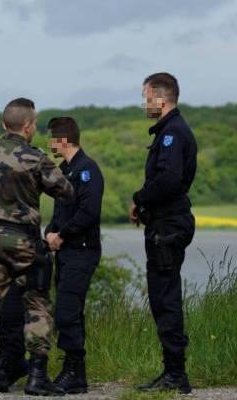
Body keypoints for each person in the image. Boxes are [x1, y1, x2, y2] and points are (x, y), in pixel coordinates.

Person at [0, 97, 72, 396]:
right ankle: (36, 377)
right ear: (29, 126)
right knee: (36, 304)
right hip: (24, 241)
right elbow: (64, 189)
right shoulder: (35, 157)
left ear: (3, 124)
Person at [131, 72, 197, 394]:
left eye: (146, 98)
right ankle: (172, 372)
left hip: (169, 226)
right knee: (162, 297)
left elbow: (169, 180)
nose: (145, 105)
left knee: (166, 299)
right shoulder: (170, 131)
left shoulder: (172, 133)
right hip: (164, 222)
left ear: (160, 98)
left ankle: (175, 375)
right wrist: (144, 206)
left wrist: (139, 198)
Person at [44, 116, 104, 394]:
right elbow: (60, 213)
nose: (49, 143)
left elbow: (87, 213)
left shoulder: (87, 170)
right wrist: (49, 233)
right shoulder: (64, 171)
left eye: (52, 138)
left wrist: (62, 235)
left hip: (81, 251)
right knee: (70, 312)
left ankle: (73, 369)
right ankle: (75, 374)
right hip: (65, 252)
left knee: (67, 313)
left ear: (64, 140)